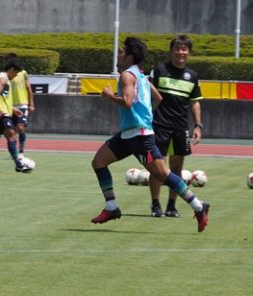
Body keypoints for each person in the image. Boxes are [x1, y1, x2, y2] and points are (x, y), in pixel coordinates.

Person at [90, 37, 211, 232]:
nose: (118, 53)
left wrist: (109, 96)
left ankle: (199, 206)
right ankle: (111, 207)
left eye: (122, 50)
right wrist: (145, 115)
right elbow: (158, 97)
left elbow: (127, 102)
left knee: (162, 174)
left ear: (130, 56)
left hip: (139, 137)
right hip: (129, 134)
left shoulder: (127, 76)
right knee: (99, 161)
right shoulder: (140, 75)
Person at [147, 35, 203, 218]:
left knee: (177, 169)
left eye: (184, 49)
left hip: (180, 127)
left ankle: (172, 206)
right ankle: (155, 204)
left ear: (189, 52)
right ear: (171, 51)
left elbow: (194, 102)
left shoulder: (192, 76)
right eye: (177, 48)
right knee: (157, 167)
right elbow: (147, 94)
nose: (180, 52)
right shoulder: (159, 70)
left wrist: (198, 125)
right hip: (159, 125)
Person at [0, 58, 31, 173]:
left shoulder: (5, 79)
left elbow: (3, 97)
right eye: (16, 73)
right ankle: (19, 165)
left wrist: (12, 109)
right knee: (12, 136)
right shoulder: (3, 78)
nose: (16, 75)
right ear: (12, 69)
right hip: (2, 114)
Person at [8, 53, 35, 159]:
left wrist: (31, 103)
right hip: (10, 106)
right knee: (12, 130)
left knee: (20, 127)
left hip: (22, 104)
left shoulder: (23, 73)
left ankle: (21, 151)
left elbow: (29, 88)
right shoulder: (6, 75)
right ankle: (14, 152)